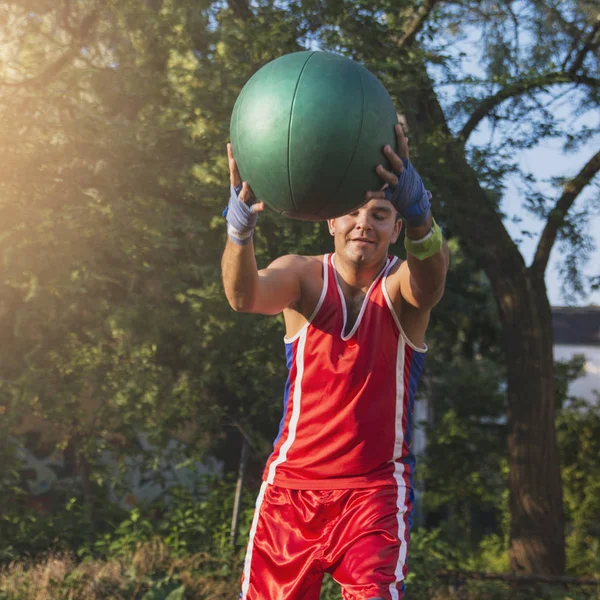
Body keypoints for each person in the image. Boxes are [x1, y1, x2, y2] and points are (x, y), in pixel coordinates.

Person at [221, 123, 449, 600]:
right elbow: (244, 296)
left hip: (374, 492)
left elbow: (430, 285)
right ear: (330, 221)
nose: (363, 222)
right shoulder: (300, 276)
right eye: (351, 212)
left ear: (396, 226)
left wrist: (423, 217)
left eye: (381, 214)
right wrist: (238, 233)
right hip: (290, 492)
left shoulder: (400, 287)